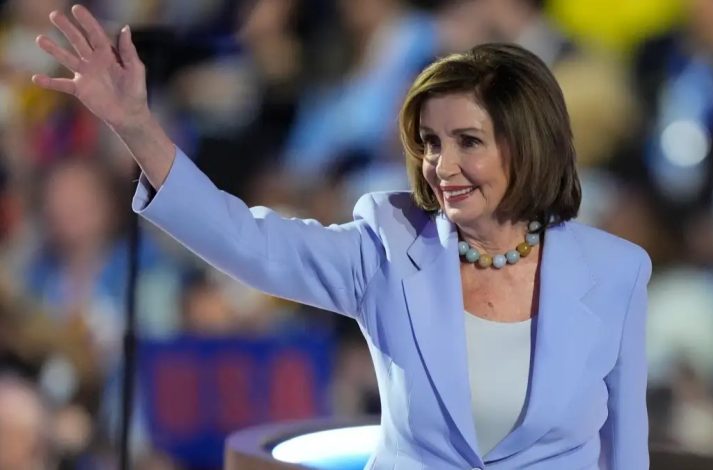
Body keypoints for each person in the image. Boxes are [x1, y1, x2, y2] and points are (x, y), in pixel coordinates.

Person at [32, 5, 652, 469]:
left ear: (528, 144)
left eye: (468, 142)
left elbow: (625, 451)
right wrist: (137, 125)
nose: (441, 166)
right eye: (430, 143)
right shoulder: (388, 245)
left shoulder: (617, 272)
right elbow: (245, 242)